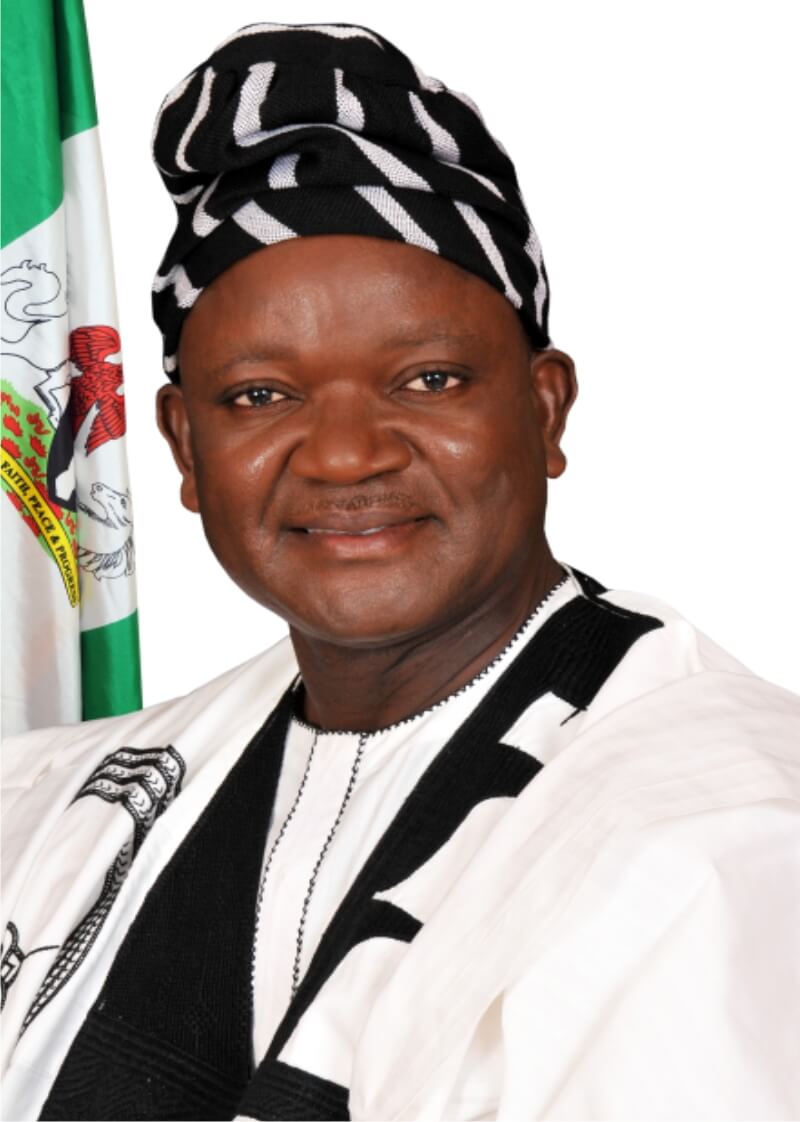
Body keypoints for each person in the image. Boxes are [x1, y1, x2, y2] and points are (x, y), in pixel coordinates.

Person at [2, 22, 798, 1122]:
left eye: (425, 379)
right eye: (259, 397)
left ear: (544, 406)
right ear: (185, 448)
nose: (343, 453)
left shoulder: (713, 844)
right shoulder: (58, 809)